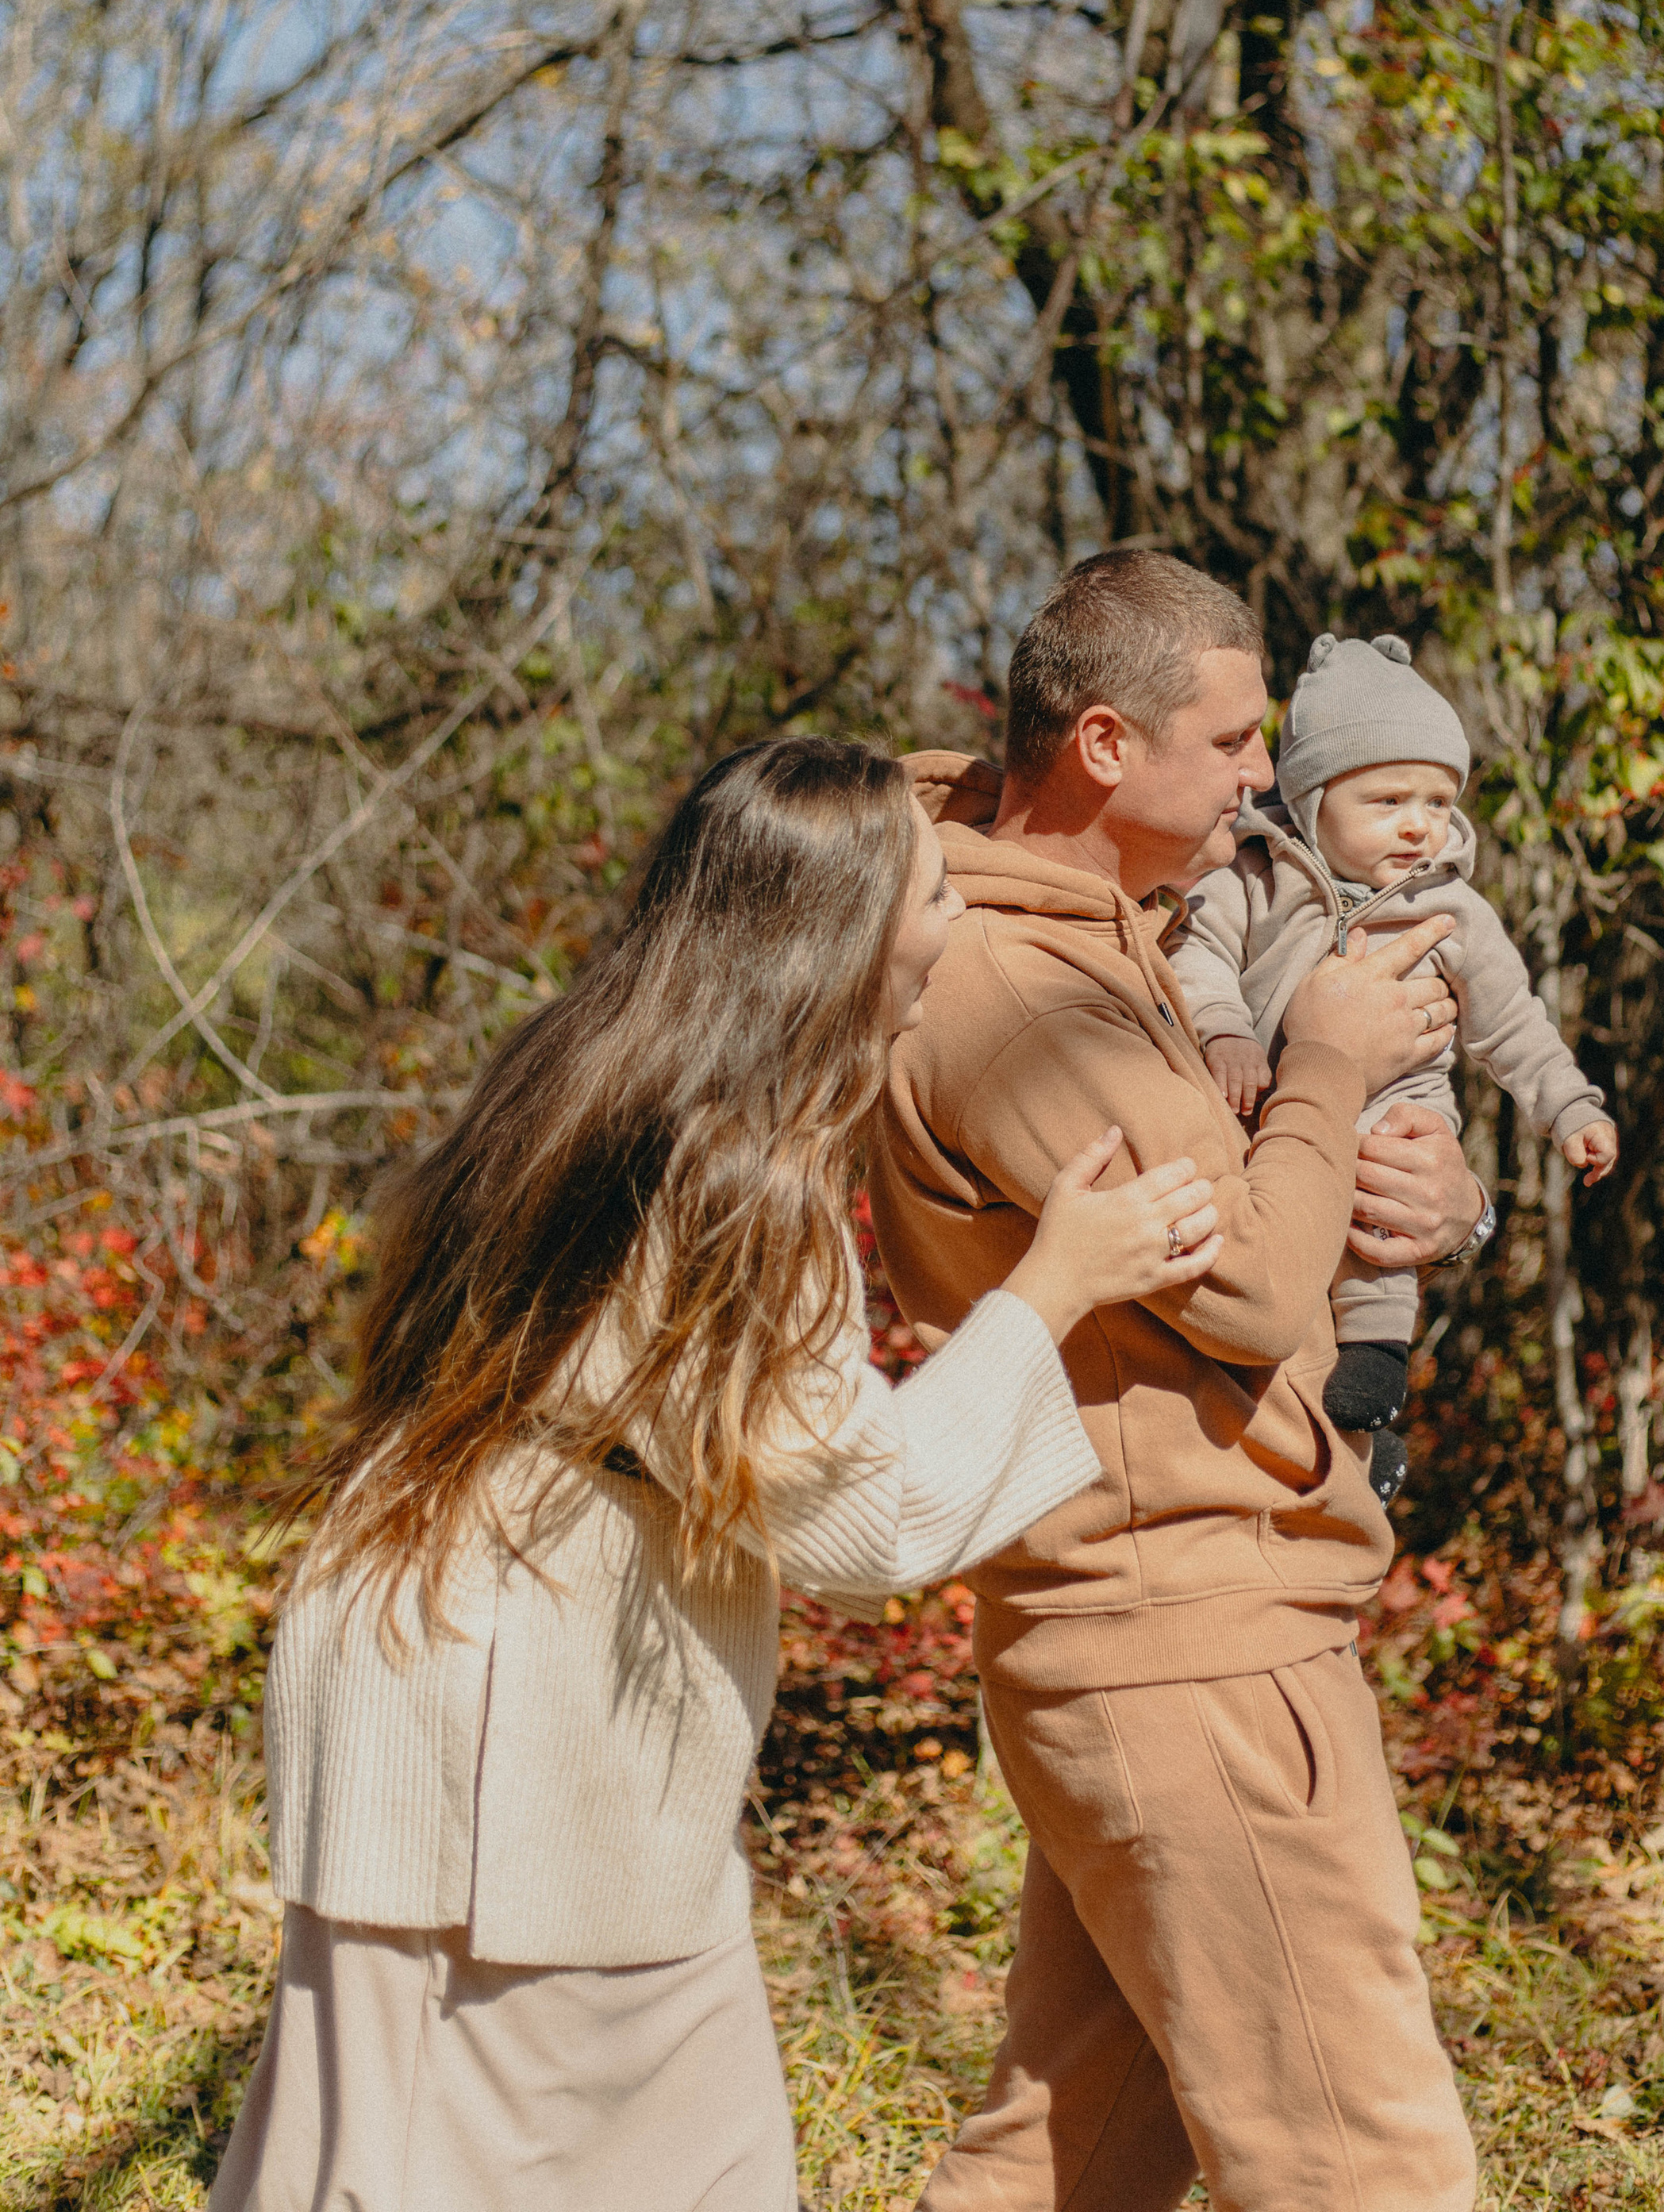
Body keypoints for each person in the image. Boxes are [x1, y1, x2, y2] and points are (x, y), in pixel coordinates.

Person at [209, 735, 1225, 2212]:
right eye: (936, 896)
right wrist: (1054, 1286)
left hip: (431, 1646)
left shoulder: (582, 1068)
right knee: (516, 2164)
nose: (957, 928)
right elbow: (867, 1518)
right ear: (842, 929)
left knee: (425, 2147)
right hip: (517, 1720)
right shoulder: (737, 1173)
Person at [869, 551, 1486, 2212]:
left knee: (1068, 2156)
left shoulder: (1116, 935)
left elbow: (1268, 1222)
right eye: (1228, 742)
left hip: (1168, 1628)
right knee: (1368, 2166)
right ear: (1100, 746)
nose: (1263, 777)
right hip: (1187, 1643)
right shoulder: (1015, 992)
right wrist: (1334, 1058)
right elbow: (1255, 1290)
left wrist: (1445, 1203)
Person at [1170, 629, 1617, 1500]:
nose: (1420, 824)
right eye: (1388, 800)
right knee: (1279, 1248)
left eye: (1439, 800)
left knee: (1389, 1181)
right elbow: (1199, 956)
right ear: (1310, 799)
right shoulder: (1253, 879)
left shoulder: (1454, 909)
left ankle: (1377, 1354)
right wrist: (1223, 1030)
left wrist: (1570, 1106)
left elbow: (1513, 1024)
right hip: (1268, 1102)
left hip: (1396, 1101)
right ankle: (1331, 1439)